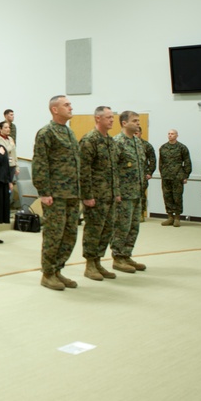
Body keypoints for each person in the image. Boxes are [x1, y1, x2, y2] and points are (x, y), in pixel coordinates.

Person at [33, 95, 81, 290]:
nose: (71, 107)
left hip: (72, 193)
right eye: (66, 105)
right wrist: (44, 191)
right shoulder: (46, 133)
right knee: (54, 234)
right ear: (55, 109)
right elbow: (40, 163)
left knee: (69, 235)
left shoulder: (69, 133)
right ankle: (47, 273)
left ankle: (58, 270)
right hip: (56, 194)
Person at [78, 106, 119, 281]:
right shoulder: (89, 140)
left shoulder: (110, 141)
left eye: (112, 117)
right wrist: (87, 196)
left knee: (107, 230)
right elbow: (83, 170)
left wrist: (116, 192)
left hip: (109, 195)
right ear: (98, 119)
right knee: (94, 230)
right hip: (95, 196)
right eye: (108, 117)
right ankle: (89, 264)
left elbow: (114, 170)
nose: (111, 120)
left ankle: (98, 261)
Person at [112, 111, 146, 273]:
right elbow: (112, 170)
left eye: (138, 120)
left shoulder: (138, 143)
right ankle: (117, 257)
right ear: (124, 123)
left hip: (137, 192)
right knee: (122, 226)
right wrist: (116, 192)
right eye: (134, 120)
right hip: (123, 194)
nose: (138, 123)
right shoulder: (117, 142)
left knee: (134, 226)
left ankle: (126, 255)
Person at [158, 129, 192, 227]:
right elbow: (161, 162)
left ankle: (177, 217)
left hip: (178, 176)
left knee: (177, 197)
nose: (170, 135)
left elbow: (187, 162)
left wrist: (185, 175)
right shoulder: (163, 147)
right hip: (166, 176)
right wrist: (162, 173)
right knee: (167, 196)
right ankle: (170, 217)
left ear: (177, 135)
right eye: (169, 134)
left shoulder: (182, 147)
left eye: (172, 134)